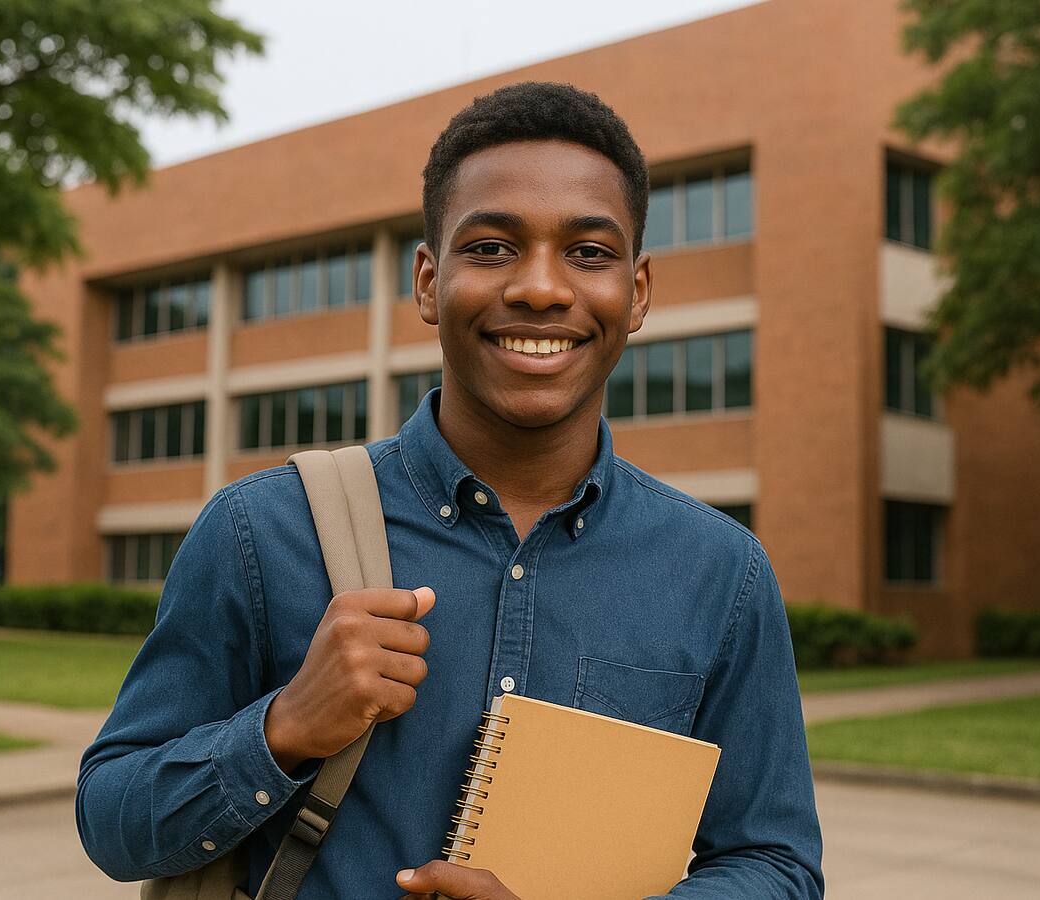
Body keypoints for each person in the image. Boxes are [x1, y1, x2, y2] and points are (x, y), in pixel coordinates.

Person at [77, 81, 824, 899]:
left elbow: (775, 865)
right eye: (492, 248)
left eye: (589, 252)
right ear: (428, 282)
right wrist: (283, 729)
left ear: (636, 292)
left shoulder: (722, 574)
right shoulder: (261, 532)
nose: (541, 287)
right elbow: (113, 821)